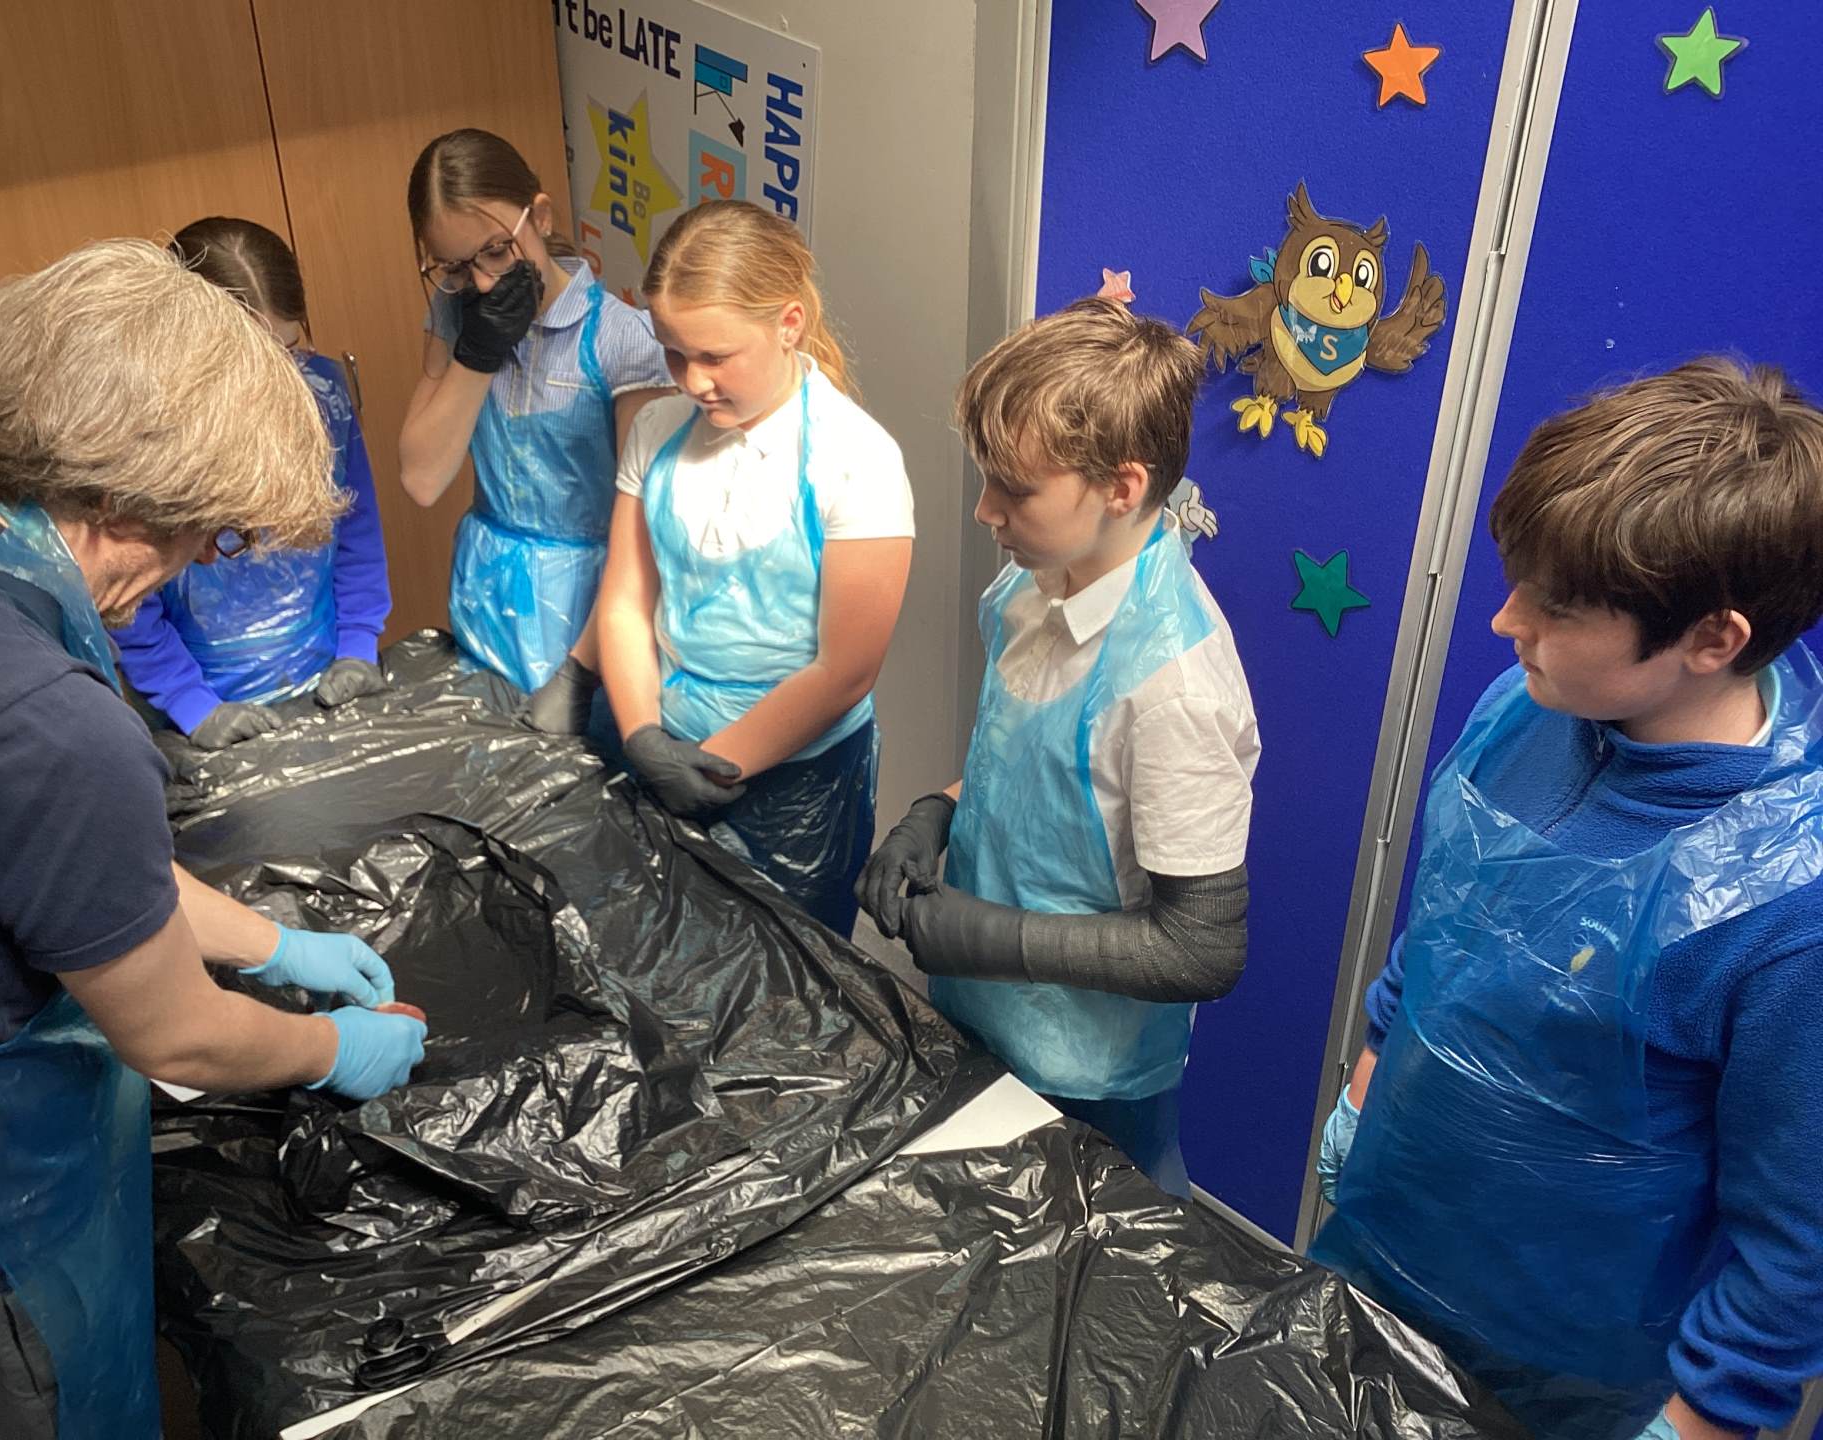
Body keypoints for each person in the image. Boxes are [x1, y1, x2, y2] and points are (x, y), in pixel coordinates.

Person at [0, 240, 427, 1440]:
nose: (195, 566)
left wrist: (272, 943)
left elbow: (50, 861)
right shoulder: (40, 719)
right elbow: (174, 1031)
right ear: (123, 504)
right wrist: (326, 1047)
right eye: (210, 537)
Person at [1312, 360, 1823, 1440]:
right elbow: (1444, 921)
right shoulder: (1531, 708)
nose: (1506, 622)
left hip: (1564, 1368)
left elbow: (1798, 1234)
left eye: (1559, 607)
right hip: (1386, 1243)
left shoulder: (1787, 906)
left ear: (1713, 639)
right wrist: (1365, 1083)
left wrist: (1708, 1414)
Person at [854, 298, 1256, 1195]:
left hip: (1089, 1076)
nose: (984, 511)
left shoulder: (1174, 687)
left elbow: (1201, 950)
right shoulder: (1028, 592)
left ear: (1123, 487)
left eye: (1015, 489)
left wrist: (988, 937)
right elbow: (1035, 771)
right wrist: (935, 814)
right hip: (981, 1019)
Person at [579, 200, 913, 936]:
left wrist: (709, 767)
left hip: (798, 786)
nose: (691, 381)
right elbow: (627, 601)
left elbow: (844, 671)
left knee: (786, 971)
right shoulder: (657, 429)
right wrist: (644, 739)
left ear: (788, 323)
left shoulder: (856, 459)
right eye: (673, 353)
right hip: (658, 737)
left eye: (714, 356)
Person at [399, 128, 671, 693]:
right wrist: (477, 355)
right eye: (454, 267)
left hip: (589, 605)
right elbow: (422, 479)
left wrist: (581, 670)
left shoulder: (621, 340)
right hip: (486, 589)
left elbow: (643, 528)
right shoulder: (454, 314)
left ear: (540, 217)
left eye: (497, 251)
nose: (481, 283)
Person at [111, 217, 392, 747]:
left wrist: (358, 646)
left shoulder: (323, 398)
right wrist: (192, 705)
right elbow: (130, 602)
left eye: (290, 349)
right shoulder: (144, 440)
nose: (280, 380)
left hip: (326, 676)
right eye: (255, 361)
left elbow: (356, 529)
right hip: (200, 703)